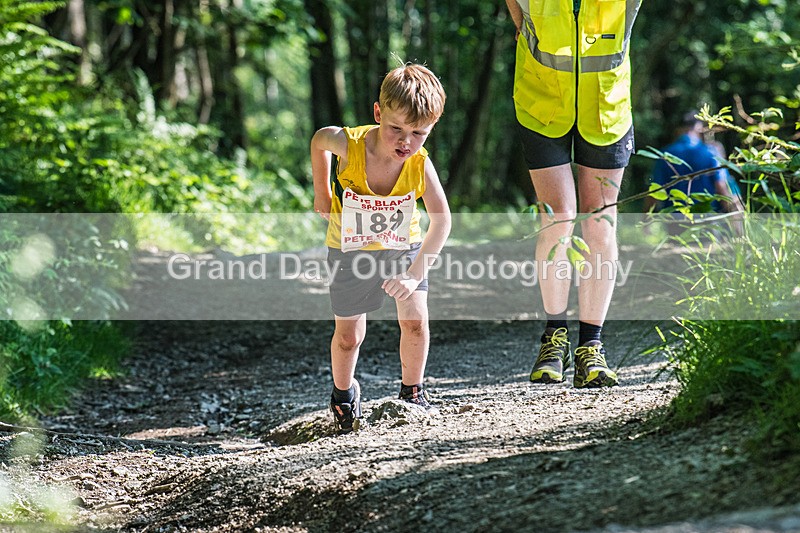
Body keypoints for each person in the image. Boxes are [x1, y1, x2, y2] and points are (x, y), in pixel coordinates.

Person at [505, 0, 643, 388]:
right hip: (541, 103)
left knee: (599, 224)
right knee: (557, 217)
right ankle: (554, 337)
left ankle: (591, 346)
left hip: (606, 106)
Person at [310, 63, 451, 434]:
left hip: (403, 248)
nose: (406, 141)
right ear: (378, 113)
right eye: (396, 129)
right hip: (349, 252)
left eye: (419, 133)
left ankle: (413, 392)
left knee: (415, 322)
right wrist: (322, 190)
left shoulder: (420, 165)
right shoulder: (350, 145)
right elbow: (320, 139)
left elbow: (443, 221)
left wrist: (413, 274)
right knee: (348, 337)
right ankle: (343, 396)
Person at [646, 111, 745, 232]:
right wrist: (737, 226)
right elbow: (722, 187)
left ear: (678, 130)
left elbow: (655, 190)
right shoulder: (711, 153)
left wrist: (646, 222)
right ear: (699, 129)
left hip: (675, 222)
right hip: (707, 221)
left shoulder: (665, 155)